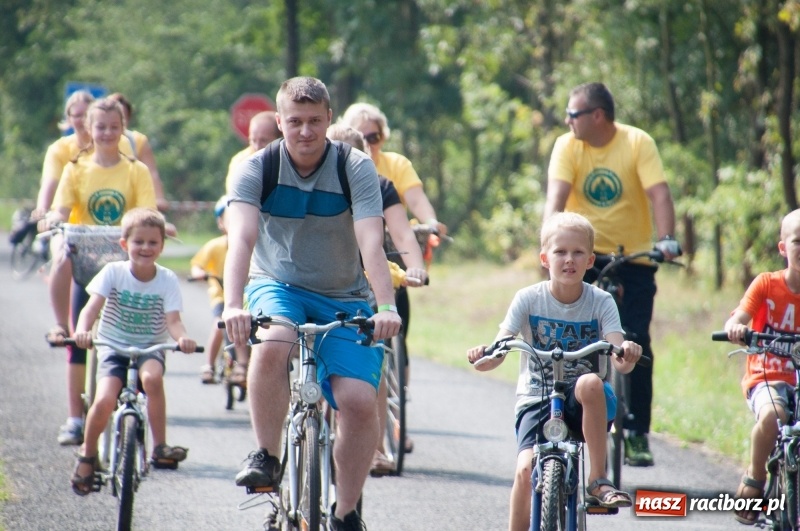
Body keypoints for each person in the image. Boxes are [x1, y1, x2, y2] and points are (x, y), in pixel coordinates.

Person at [223, 77, 401, 530]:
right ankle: (267, 454)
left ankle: (345, 512)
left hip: (345, 294)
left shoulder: (354, 166)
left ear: (329, 119)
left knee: (358, 402)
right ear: (279, 121)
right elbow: (241, 239)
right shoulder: (257, 168)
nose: (305, 131)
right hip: (277, 283)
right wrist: (231, 304)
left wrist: (386, 306)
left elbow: (371, 241)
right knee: (274, 341)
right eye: (295, 121)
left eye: (315, 121)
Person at [466, 212, 641, 531]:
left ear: (590, 261)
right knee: (524, 470)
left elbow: (619, 359)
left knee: (591, 382)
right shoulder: (528, 299)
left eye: (578, 252)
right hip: (536, 397)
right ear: (545, 259)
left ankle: (598, 479)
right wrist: (483, 356)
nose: (569, 259)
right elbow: (499, 350)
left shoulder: (601, 302)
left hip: (586, 403)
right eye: (560, 252)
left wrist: (627, 352)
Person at [543, 82, 681, 467]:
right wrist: (550, 244)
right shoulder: (567, 146)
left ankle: (636, 432)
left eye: (573, 114)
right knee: (571, 336)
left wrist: (666, 239)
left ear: (597, 116)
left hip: (632, 258)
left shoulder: (637, 142)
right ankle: (564, 413)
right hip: (582, 256)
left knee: (636, 341)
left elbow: (659, 194)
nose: (567, 121)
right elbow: (555, 199)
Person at [41, 97, 159, 446]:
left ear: (123, 129)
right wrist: (53, 218)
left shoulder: (135, 170)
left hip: (125, 263)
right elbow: (62, 209)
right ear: (88, 130)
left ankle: (134, 407)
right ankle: (75, 418)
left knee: (138, 338)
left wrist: (157, 225)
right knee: (78, 338)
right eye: (101, 127)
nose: (107, 133)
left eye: (114, 127)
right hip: (88, 261)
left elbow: (146, 212)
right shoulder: (75, 168)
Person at [341, 102, 447, 455]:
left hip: (389, 259)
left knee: (392, 340)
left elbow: (414, 208)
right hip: (341, 267)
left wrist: (429, 226)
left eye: (373, 137)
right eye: (361, 138)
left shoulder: (392, 170)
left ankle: (394, 422)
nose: (368, 144)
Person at [70, 207, 196, 496]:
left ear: (162, 246)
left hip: (150, 347)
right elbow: (90, 309)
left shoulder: (167, 279)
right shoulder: (113, 272)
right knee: (104, 399)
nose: (145, 248)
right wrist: (83, 331)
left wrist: (184, 339)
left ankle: (160, 446)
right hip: (113, 346)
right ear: (124, 244)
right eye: (139, 241)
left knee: (152, 379)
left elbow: (173, 322)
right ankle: (87, 454)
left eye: (153, 242)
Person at [326, 123, 428, 475]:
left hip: (369, 280)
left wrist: (415, 267)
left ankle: (377, 448)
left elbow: (401, 232)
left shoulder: (380, 186)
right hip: (323, 281)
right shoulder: (313, 184)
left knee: (374, 360)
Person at [722, 209, 800, 525]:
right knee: (772, 416)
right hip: (768, 376)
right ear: (783, 247)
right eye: (798, 241)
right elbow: (739, 317)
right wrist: (737, 328)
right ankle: (755, 478)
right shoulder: (767, 284)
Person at [190, 195, 249, 385]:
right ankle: (210, 364)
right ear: (221, 223)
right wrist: (200, 273)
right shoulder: (215, 246)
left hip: (246, 296)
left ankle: (248, 362)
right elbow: (197, 264)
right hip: (221, 296)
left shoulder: (252, 244)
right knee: (220, 324)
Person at [107, 92, 169, 211]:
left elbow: (151, 173)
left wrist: (158, 198)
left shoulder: (137, 141)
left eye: (121, 117)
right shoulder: (93, 142)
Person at [225, 111, 282, 193]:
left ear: (279, 139)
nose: (257, 147)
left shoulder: (290, 160)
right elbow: (234, 193)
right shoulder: (240, 161)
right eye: (253, 140)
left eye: (263, 140)